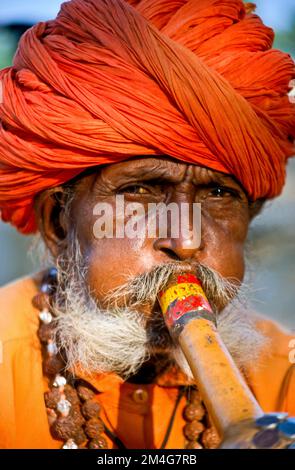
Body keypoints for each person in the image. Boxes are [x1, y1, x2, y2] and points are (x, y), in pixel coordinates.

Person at [0, 0, 294, 449]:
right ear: (58, 223)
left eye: (218, 195)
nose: (187, 241)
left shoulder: (284, 375)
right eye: (141, 191)